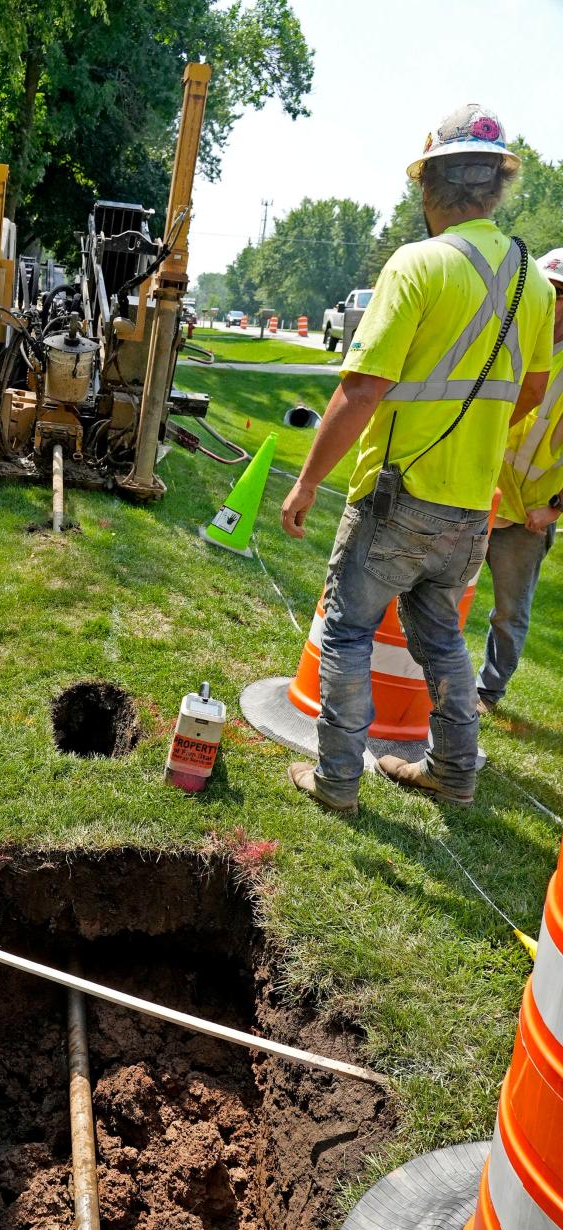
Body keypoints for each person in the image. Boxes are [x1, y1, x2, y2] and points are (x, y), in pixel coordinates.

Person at [280, 103, 555, 816]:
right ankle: (454, 772)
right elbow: (530, 387)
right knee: (443, 640)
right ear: (495, 188)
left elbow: (363, 388)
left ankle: (338, 779)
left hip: (396, 496)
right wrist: (478, 438)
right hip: (469, 507)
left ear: (431, 185)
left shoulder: (417, 264)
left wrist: (308, 481)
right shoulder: (530, 279)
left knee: (346, 629)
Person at [476, 249, 563, 714]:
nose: (554, 301)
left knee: (509, 612)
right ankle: (422, 672)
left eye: (562, 293)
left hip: (529, 512)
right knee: (435, 588)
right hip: (475, 491)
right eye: (549, 290)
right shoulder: (509, 335)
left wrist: (555, 509)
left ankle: (487, 691)